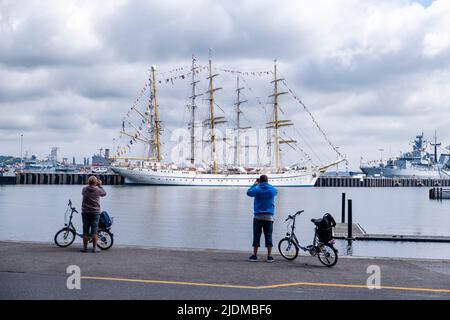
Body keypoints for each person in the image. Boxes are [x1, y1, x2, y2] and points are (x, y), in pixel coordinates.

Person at [246, 174, 278, 263]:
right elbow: (276, 191)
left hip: (258, 217)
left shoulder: (257, 189)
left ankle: (255, 256)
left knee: (256, 236)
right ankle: (269, 256)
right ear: (267, 181)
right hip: (269, 217)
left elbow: (248, 192)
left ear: (259, 181)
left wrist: (255, 184)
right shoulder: (272, 190)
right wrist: (267, 184)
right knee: (269, 236)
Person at [80, 176, 107, 253]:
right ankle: (94, 249)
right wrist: (100, 185)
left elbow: (83, 194)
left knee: (85, 231)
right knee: (94, 231)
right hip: (95, 213)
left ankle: (85, 248)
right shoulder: (98, 189)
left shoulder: (84, 189)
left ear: (88, 182)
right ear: (96, 182)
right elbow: (104, 194)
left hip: (85, 212)